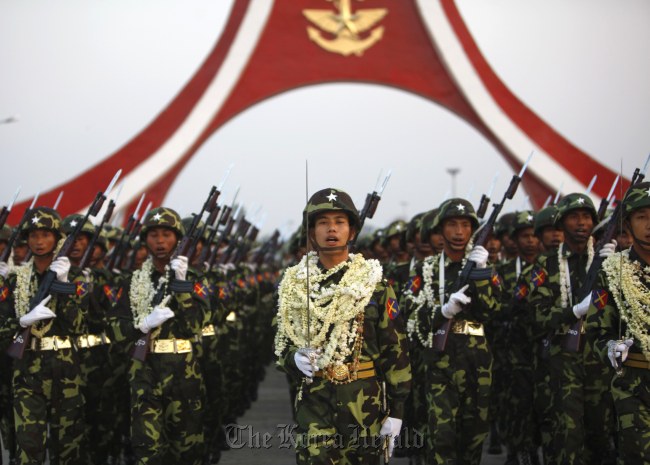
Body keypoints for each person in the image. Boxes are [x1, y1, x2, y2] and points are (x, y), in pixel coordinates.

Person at [275, 187, 412, 464]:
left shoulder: (374, 286)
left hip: (365, 405)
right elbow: (281, 343)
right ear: (311, 232)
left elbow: (395, 352)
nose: (331, 229)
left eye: (340, 222)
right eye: (323, 222)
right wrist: (293, 358)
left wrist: (397, 413)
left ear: (351, 231)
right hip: (315, 403)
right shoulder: (295, 286)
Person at [108, 207, 210, 464]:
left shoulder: (195, 279)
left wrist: (182, 285)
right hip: (145, 371)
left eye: (166, 234)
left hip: (183, 372)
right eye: (153, 235)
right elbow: (115, 328)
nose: (160, 241)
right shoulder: (132, 281)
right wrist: (141, 326)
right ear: (145, 240)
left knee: (186, 449)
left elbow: (196, 325)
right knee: (147, 449)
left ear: (177, 239)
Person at [404, 198, 501, 465]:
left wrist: (481, 275)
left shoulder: (483, 268)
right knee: (441, 435)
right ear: (440, 230)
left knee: (473, 438)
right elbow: (407, 313)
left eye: (465, 225)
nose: (459, 232)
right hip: (439, 361)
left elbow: (495, 312)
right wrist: (441, 312)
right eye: (452, 225)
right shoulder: (426, 269)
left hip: (477, 363)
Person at [528, 193, 616, 465]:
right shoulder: (546, 264)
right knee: (568, 433)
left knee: (602, 433)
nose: (581, 223)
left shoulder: (609, 261)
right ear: (562, 222)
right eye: (574, 217)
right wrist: (573, 312)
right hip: (563, 360)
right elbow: (538, 315)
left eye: (587, 216)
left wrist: (617, 268)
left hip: (601, 358)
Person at [0, 207, 89, 464]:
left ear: (57, 239)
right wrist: (21, 322)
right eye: (34, 235)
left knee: (68, 450)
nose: (39, 242)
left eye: (45, 235)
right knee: (29, 449)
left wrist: (64, 286)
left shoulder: (75, 277)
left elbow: (79, 326)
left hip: (66, 371)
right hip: (28, 371)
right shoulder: (15, 281)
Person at [586, 181, 650, 464]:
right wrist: (611, 348)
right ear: (627, 223)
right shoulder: (612, 271)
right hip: (634, 386)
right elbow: (597, 332)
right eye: (642, 216)